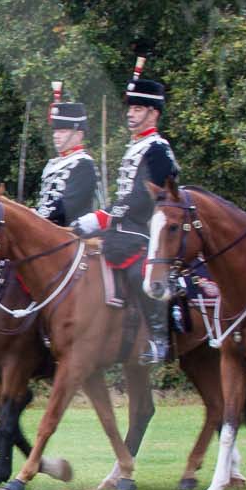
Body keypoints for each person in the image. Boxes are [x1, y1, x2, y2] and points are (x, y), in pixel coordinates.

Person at [73, 59, 176, 363]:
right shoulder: (135, 147)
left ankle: (159, 338)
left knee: (138, 272)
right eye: (130, 109)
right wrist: (97, 218)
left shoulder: (158, 149)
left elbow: (146, 197)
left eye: (138, 109)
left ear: (153, 113)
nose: (131, 114)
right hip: (124, 226)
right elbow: (124, 197)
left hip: (148, 227)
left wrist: (103, 216)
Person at [32, 83, 99, 227]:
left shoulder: (83, 164)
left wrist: (35, 216)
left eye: (62, 132)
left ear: (78, 134)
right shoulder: (54, 164)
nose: (56, 136)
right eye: (55, 131)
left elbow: (68, 206)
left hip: (71, 232)